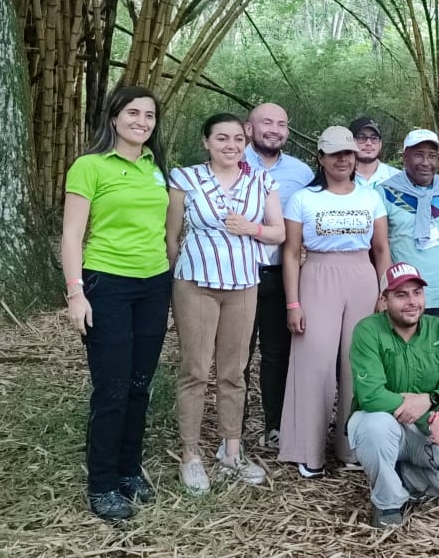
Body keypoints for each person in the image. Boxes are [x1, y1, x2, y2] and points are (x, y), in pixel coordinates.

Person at [60, 85, 171, 521]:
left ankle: (129, 469)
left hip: (154, 284)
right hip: (107, 282)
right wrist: (75, 291)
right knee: (111, 387)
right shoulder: (89, 166)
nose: (142, 122)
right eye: (133, 113)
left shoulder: (154, 166)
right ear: (113, 117)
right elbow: (71, 234)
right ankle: (102, 482)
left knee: (140, 384)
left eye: (149, 115)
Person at [166, 113, 284, 492]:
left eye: (237, 139)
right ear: (206, 142)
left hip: (243, 282)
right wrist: (168, 283)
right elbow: (171, 236)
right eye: (221, 139)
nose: (230, 146)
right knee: (195, 369)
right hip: (196, 282)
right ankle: (190, 454)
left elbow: (278, 232)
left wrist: (251, 229)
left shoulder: (262, 180)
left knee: (234, 371)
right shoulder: (186, 179)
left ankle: (231, 449)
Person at [279, 126, 392, 476]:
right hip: (318, 275)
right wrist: (293, 303)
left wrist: (384, 291)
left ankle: (352, 447)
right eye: (335, 154)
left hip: (362, 274)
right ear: (321, 158)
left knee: (357, 364)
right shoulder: (304, 198)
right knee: (315, 365)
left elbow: (382, 248)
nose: (343, 160)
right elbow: (292, 251)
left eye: (348, 153)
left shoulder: (370, 197)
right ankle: (307, 451)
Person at [348, 263, 439, 529]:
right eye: (401, 295)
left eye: (417, 293)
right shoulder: (367, 330)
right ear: (384, 301)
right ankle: (387, 503)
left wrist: (429, 400)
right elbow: (371, 395)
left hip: (428, 432)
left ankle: (404, 477)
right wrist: (429, 411)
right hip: (388, 426)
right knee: (373, 426)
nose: (412, 302)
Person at [243, 103, 315, 450]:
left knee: (276, 354)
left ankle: (275, 425)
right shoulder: (229, 160)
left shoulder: (301, 173)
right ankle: (234, 431)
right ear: (248, 127)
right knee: (236, 355)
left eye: (282, 124)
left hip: (279, 272)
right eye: (266, 122)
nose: (275, 129)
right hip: (236, 273)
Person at [378, 128, 439, 343]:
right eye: (419, 154)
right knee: (404, 362)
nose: (426, 162)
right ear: (405, 157)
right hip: (403, 296)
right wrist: (383, 292)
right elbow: (378, 247)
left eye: (432, 156)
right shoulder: (385, 193)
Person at [350, 117, 399, 189]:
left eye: (374, 138)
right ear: (350, 142)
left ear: (380, 144)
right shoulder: (339, 177)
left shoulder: (396, 177)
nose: (369, 143)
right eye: (361, 137)